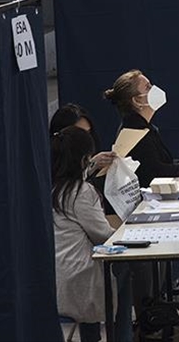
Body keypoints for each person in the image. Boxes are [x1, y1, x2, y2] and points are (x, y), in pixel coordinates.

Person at [51, 126, 132, 342]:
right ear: (83, 159)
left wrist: (92, 165)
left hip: (55, 272)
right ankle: (122, 336)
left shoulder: (51, 188)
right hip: (78, 275)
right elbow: (103, 235)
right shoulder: (82, 192)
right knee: (128, 266)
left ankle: (93, 336)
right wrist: (131, 231)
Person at [104, 70, 179, 188]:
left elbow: (161, 163)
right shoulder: (135, 132)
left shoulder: (145, 127)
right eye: (147, 87)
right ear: (137, 100)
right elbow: (156, 172)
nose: (154, 89)